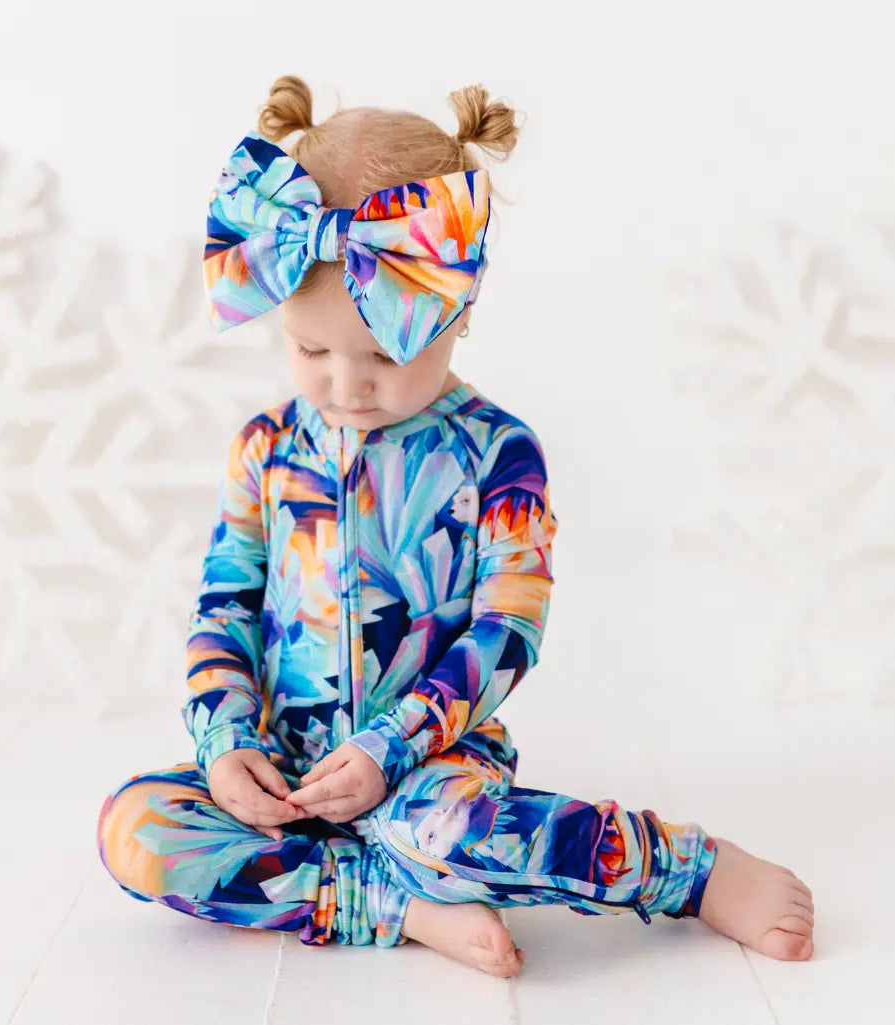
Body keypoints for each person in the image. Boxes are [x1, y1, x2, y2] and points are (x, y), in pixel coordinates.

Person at [96, 75, 815, 977]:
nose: (346, 384)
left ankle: (688, 872)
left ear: (458, 309)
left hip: (429, 767)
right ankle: (395, 903)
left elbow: (507, 627)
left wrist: (389, 744)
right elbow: (225, 609)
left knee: (450, 829)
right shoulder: (263, 449)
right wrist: (228, 740)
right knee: (134, 828)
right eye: (311, 349)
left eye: (384, 353)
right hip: (283, 768)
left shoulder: (496, 454)